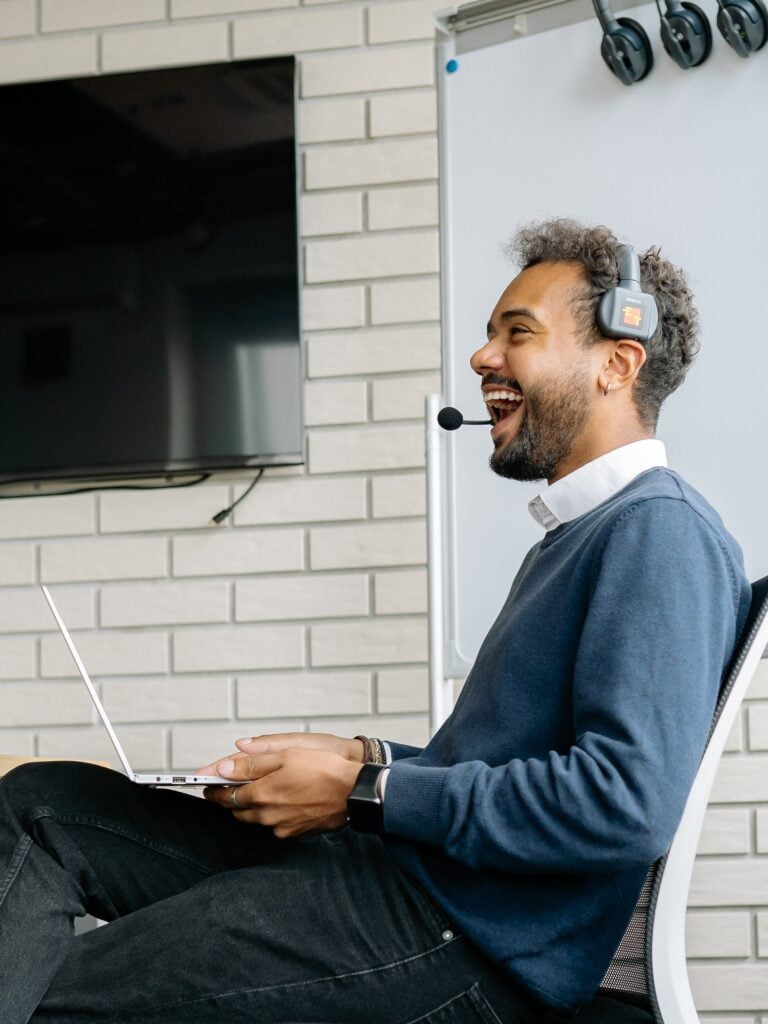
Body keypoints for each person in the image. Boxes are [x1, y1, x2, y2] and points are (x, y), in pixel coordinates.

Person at [0, 220, 750, 1024]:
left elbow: (622, 803)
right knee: (41, 806)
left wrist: (363, 791)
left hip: (458, 935)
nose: (482, 357)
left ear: (617, 362)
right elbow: (501, 765)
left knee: (58, 993)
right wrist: (365, 758)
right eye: (489, 333)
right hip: (404, 876)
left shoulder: (658, 532)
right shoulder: (580, 536)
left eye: (517, 333)